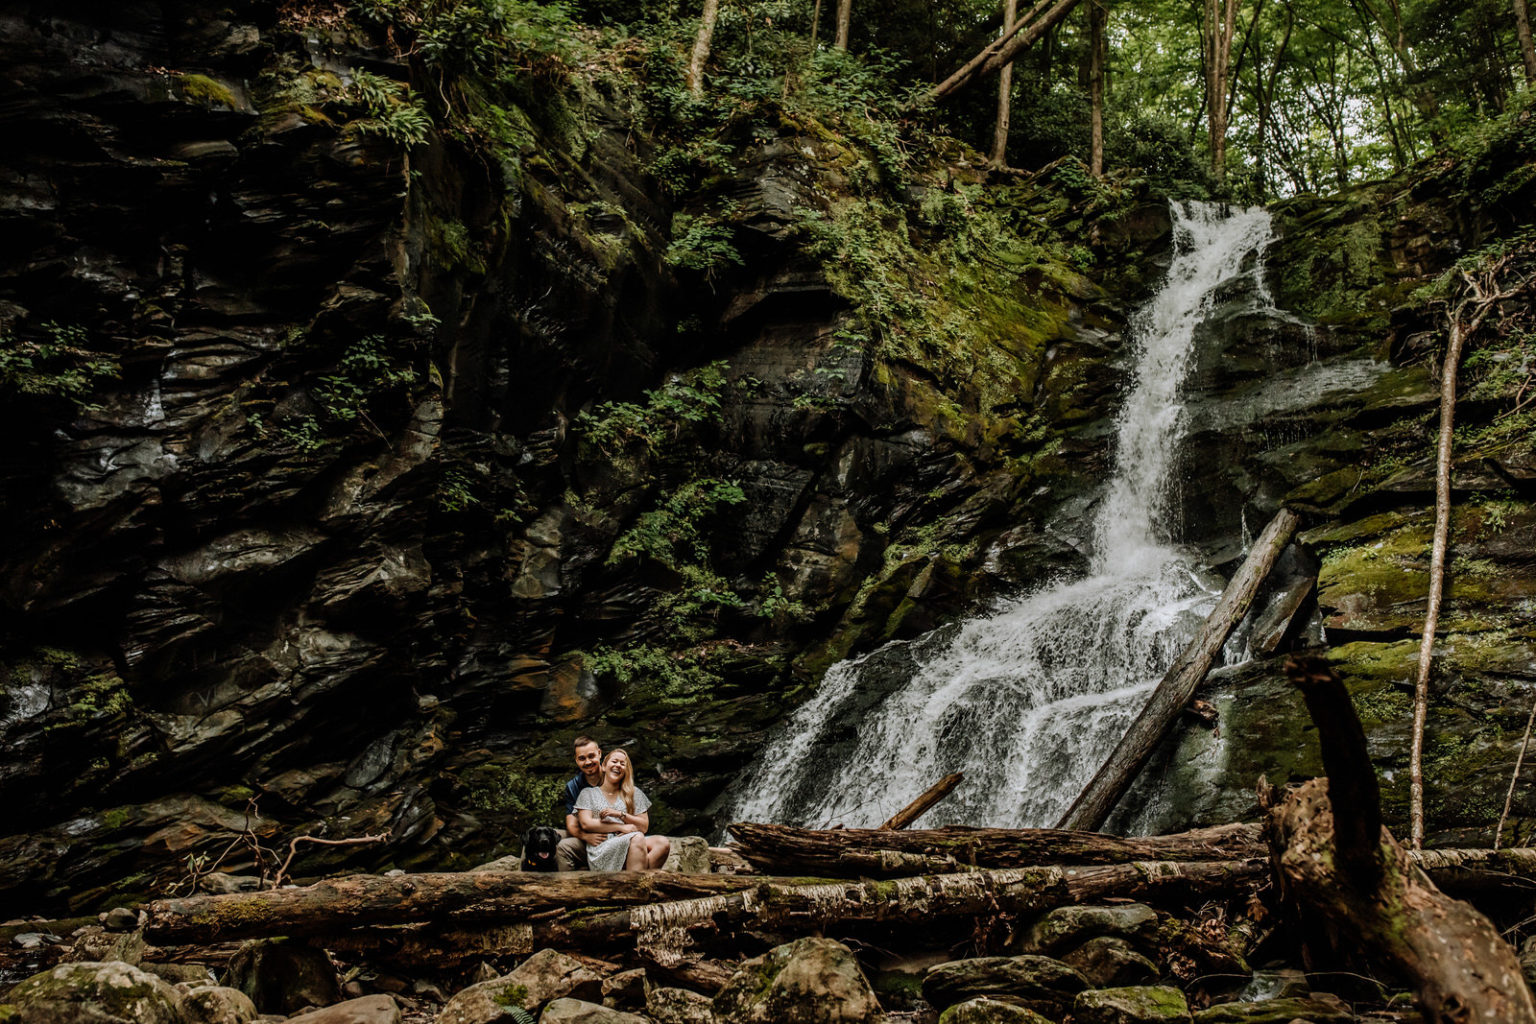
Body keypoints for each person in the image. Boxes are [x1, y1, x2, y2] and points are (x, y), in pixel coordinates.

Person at [574, 748, 671, 871]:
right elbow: (586, 824)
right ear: (603, 766)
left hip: (630, 840)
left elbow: (644, 826)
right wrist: (620, 827)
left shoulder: (634, 793)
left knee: (662, 843)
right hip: (603, 845)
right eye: (614, 761)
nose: (618, 765)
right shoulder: (588, 793)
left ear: (626, 770)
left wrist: (620, 814)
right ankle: (637, 884)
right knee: (637, 837)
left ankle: (636, 879)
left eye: (622, 763)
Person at [556, 735, 604, 871]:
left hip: (605, 836)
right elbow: (571, 823)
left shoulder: (613, 777)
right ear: (576, 760)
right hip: (583, 835)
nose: (588, 762)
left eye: (591, 756)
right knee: (534, 837)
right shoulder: (573, 786)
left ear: (599, 753)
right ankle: (520, 883)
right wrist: (586, 836)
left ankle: (567, 887)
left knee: (562, 847)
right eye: (582, 758)